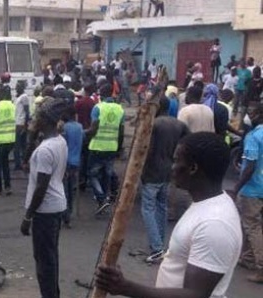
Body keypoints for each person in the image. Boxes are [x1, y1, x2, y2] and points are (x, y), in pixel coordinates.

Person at [96, 132, 242, 298]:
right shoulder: (206, 206)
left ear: (193, 168)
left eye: (176, 161)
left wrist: (126, 288)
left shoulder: (215, 224)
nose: (171, 168)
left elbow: (195, 295)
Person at [20, 97, 68, 298]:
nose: (33, 120)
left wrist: (28, 216)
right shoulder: (59, 141)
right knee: (50, 257)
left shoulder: (45, 150)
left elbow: (41, 186)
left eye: (37, 116)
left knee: (44, 262)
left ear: (46, 120)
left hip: (44, 210)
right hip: (56, 205)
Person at [140, 97, 190, 264]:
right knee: (161, 207)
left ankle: (156, 248)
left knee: (148, 208)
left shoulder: (155, 124)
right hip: (167, 169)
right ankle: (160, 245)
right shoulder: (178, 124)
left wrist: (141, 170)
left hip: (152, 170)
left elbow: (148, 150)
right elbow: (187, 141)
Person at [229, 103, 263, 283]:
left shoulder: (253, 136)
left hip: (253, 188)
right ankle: (248, 258)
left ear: (258, 115)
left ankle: (261, 268)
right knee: (254, 225)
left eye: (251, 113)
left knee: (252, 226)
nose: (249, 116)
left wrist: (236, 189)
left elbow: (249, 166)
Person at [87, 84, 124, 214]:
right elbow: (121, 130)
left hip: (97, 146)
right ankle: (104, 198)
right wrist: (119, 148)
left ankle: (101, 198)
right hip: (112, 147)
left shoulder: (97, 108)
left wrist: (86, 137)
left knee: (92, 174)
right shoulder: (120, 109)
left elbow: (93, 127)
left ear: (100, 95)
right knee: (107, 174)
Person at [61, 106, 83, 228]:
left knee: (64, 190)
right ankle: (68, 213)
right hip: (76, 161)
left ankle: (65, 215)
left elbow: (63, 144)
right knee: (71, 189)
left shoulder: (65, 128)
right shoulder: (79, 127)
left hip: (66, 162)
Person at [14, 81, 29, 171]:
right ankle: (23, 162)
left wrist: (25, 124)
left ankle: (19, 164)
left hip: (20, 123)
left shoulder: (24, 97)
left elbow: (27, 112)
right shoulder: (18, 97)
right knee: (22, 145)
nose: (16, 88)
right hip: (17, 122)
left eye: (18, 87)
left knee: (17, 146)